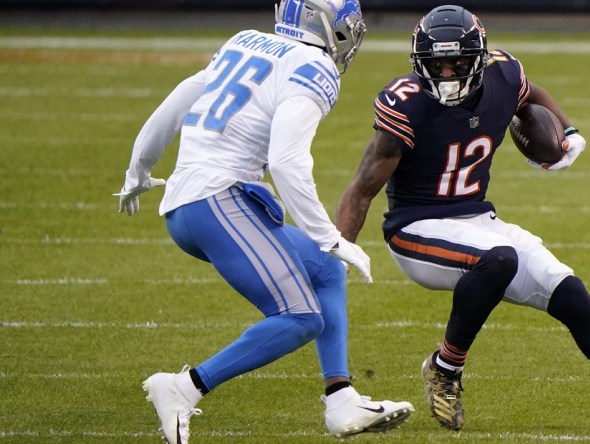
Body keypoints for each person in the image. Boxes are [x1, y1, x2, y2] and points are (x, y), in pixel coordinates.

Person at [334, 4, 590, 435]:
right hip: (414, 228)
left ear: (479, 61)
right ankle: (445, 370)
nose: (447, 74)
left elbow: (531, 93)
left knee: (568, 289)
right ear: (419, 62)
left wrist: (567, 131)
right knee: (499, 259)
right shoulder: (404, 104)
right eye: (437, 64)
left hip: (478, 219)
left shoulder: (502, 74)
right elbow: (361, 189)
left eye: (458, 63)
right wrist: (334, 256)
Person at [114, 1, 414, 442]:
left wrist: (138, 169)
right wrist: (329, 236)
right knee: (301, 316)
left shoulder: (244, 41)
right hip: (219, 202)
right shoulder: (314, 66)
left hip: (192, 204)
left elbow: (180, 98)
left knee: (324, 270)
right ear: (327, 25)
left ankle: (341, 400)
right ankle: (184, 386)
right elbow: (286, 161)